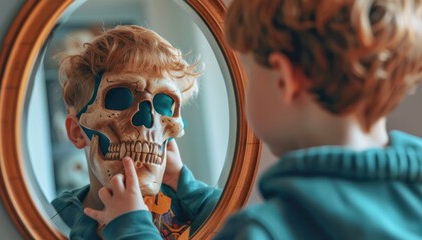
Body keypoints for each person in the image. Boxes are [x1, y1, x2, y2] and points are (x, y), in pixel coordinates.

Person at [83, 0, 422, 239]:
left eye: (248, 70)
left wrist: (132, 228)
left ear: (283, 80)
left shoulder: (262, 231)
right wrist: (183, 183)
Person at [51, 25, 221, 240]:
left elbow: (237, 218)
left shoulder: (188, 206)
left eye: (163, 104)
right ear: (77, 132)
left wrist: (183, 184)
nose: (145, 122)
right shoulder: (56, 219)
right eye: (120, 99)